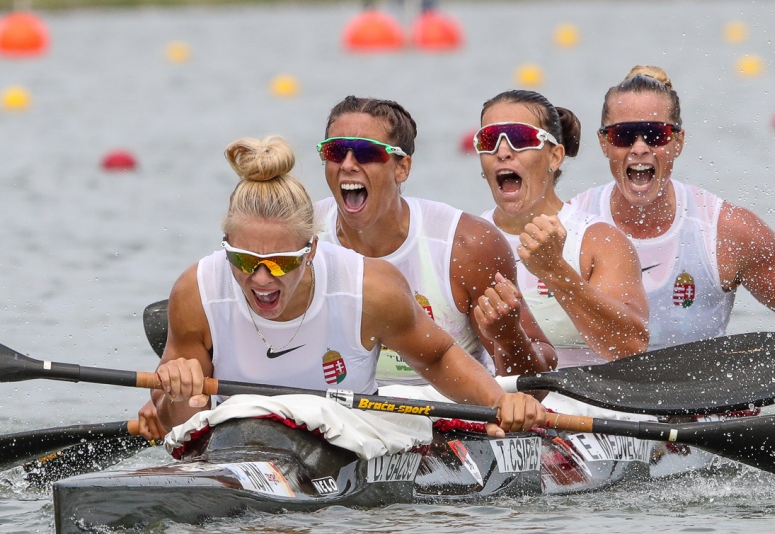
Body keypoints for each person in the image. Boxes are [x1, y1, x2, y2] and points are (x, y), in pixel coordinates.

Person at [139, 135, 544, 439]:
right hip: (239, 446)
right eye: (243, 261)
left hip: (349, 441)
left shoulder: (369, 287)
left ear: (311, 249)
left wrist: (497, 404)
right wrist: (175, 396)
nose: (261, 278)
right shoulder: (197, 290)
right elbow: (178, 422)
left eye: (280, 264)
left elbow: (437, 359)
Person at [570, 65, 775, 417]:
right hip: (593, 407)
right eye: (623, 136)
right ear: (604, 143)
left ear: (678, 142)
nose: (639, 148)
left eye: (655, 134)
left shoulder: (725, 231)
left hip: (689, 412)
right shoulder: (568, 223)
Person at [314, 96, 556, 386]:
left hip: (447, 419)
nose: (347, 164)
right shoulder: (303, 235)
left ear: (402, 167)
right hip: (340, 419)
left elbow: (536, 386)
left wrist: (510, 335)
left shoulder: (467, 245)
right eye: (335, 151)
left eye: (367, 153)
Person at [475, 89, 649, 367]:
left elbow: (631, 346)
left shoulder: (598, 241)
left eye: (520, 139)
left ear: (555, 157)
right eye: (489, 140)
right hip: (505, 402)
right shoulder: (465, 240)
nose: (503, 153)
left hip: (592, 402)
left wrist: (555, 270)